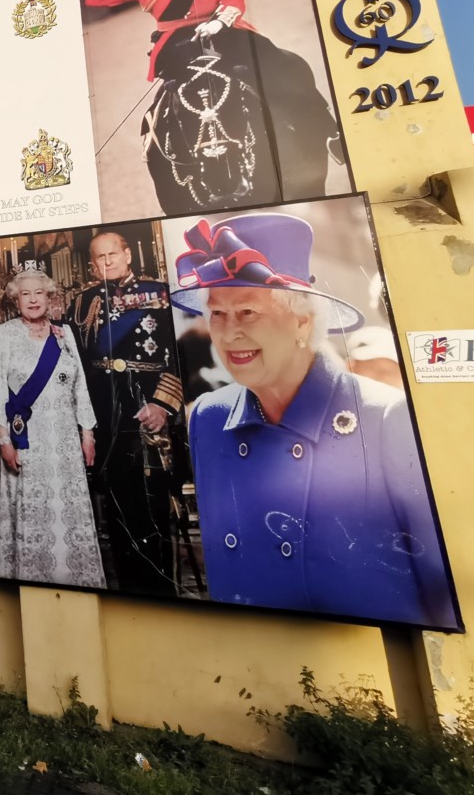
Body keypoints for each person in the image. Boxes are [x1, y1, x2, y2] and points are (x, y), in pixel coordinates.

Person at [173, 213, 457, 627]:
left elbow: (442, 589)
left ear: (302, 321)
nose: (229, 332)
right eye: (217, 314)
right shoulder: (209, 417)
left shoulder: (385, 416)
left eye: (248, 312)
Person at [85, 0, 340, 207]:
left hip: (226, 29)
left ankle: (328, 130)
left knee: (284, 65)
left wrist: (220, 21)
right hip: (176, 41)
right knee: (161, 106)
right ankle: (167, 155)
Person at [69, 231, 183, 595]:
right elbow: (76, 362)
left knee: (152, 504)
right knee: (118, 507)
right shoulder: (84, 300)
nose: (107, 262)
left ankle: (162, 591)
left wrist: (164, 405)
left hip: (147, 409)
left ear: (128, 254)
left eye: (113, 254)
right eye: (99, 258)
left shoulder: (159, 294)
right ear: (91, 263)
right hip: (106, 414)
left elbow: (181, 355)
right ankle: (130, 592)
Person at [0, 263, 104, 587]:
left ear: (49, 297)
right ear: (16, 300)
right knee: (35, 513)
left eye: (38, 293)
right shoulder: (6, 334)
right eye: (25, 294)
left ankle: (77, 581)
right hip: (27, 440)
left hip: (66, 441)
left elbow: (80, 385)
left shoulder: (64, 333)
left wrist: (87, 433)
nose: (33, 300)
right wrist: (3, 441)